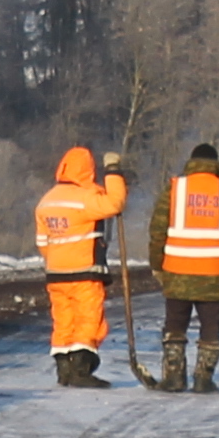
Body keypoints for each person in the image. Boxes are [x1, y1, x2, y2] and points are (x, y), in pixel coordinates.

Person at [33, 143, 128, 387]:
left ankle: (63, 369)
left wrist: (58, 257)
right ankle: (81, 369)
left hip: (55, 273)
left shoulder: (47, 201)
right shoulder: (86, 199)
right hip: (84, 271)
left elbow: (42, 242)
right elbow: (115, 203)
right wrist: (114, 171)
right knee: (89, 319)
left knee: (63, 320)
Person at [154, 142, 219, 392]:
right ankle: (204, 379)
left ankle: (173, 378)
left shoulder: (176, 188)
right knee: (210, 326)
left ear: (191, 162)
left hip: (178, 269)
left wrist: (157, 265)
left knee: (175, 324)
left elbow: (157, 228)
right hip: (214, 270)